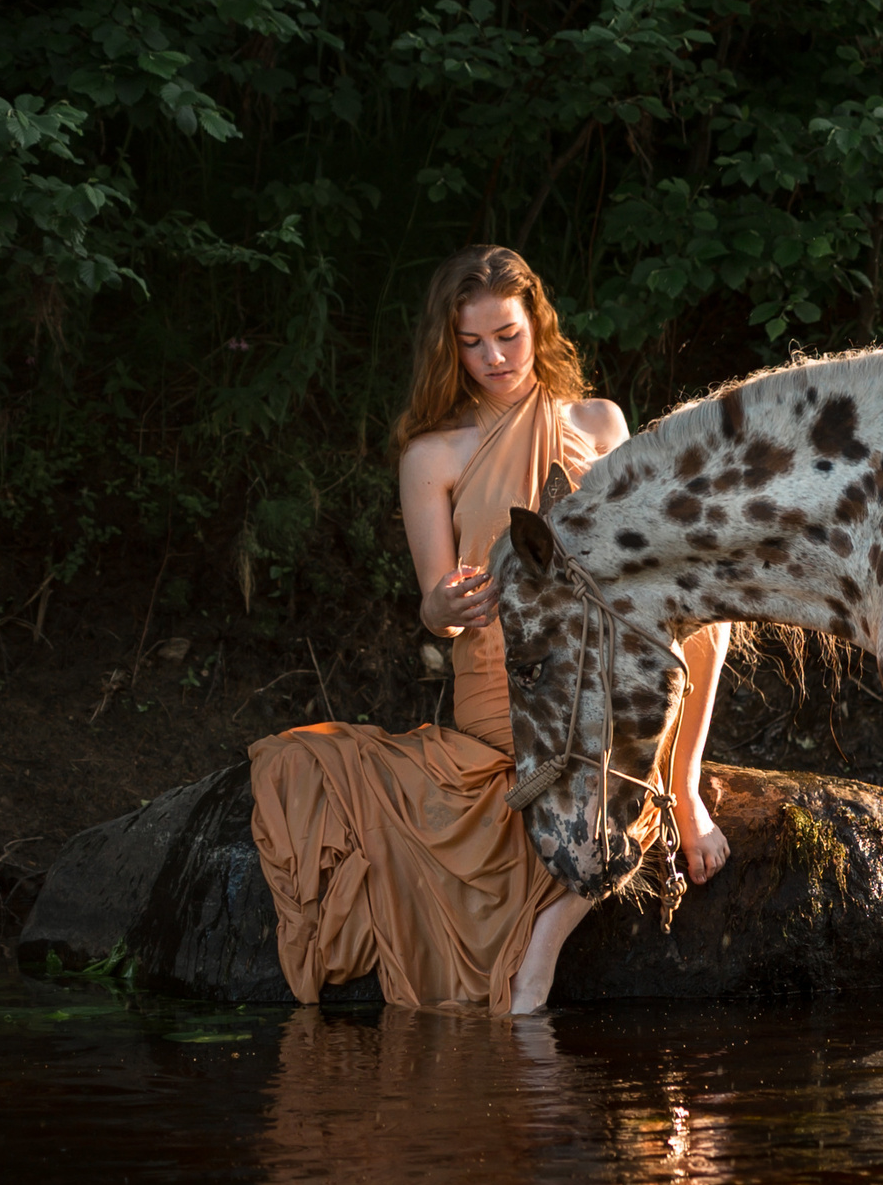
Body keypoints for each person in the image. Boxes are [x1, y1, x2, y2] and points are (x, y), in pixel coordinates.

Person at [249, 246, 731, 1016]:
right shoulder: (432, 454)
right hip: (508, 674)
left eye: (507, 335)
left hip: (601, 656)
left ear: (537, 324)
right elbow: (431, 608)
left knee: (706, 620)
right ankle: (557, 920)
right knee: (587, 756)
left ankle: (679, 795)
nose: (493, 358)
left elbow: (642, 556)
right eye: (471, 344)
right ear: (449, 347)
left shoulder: (599, 422)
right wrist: (447, 605)